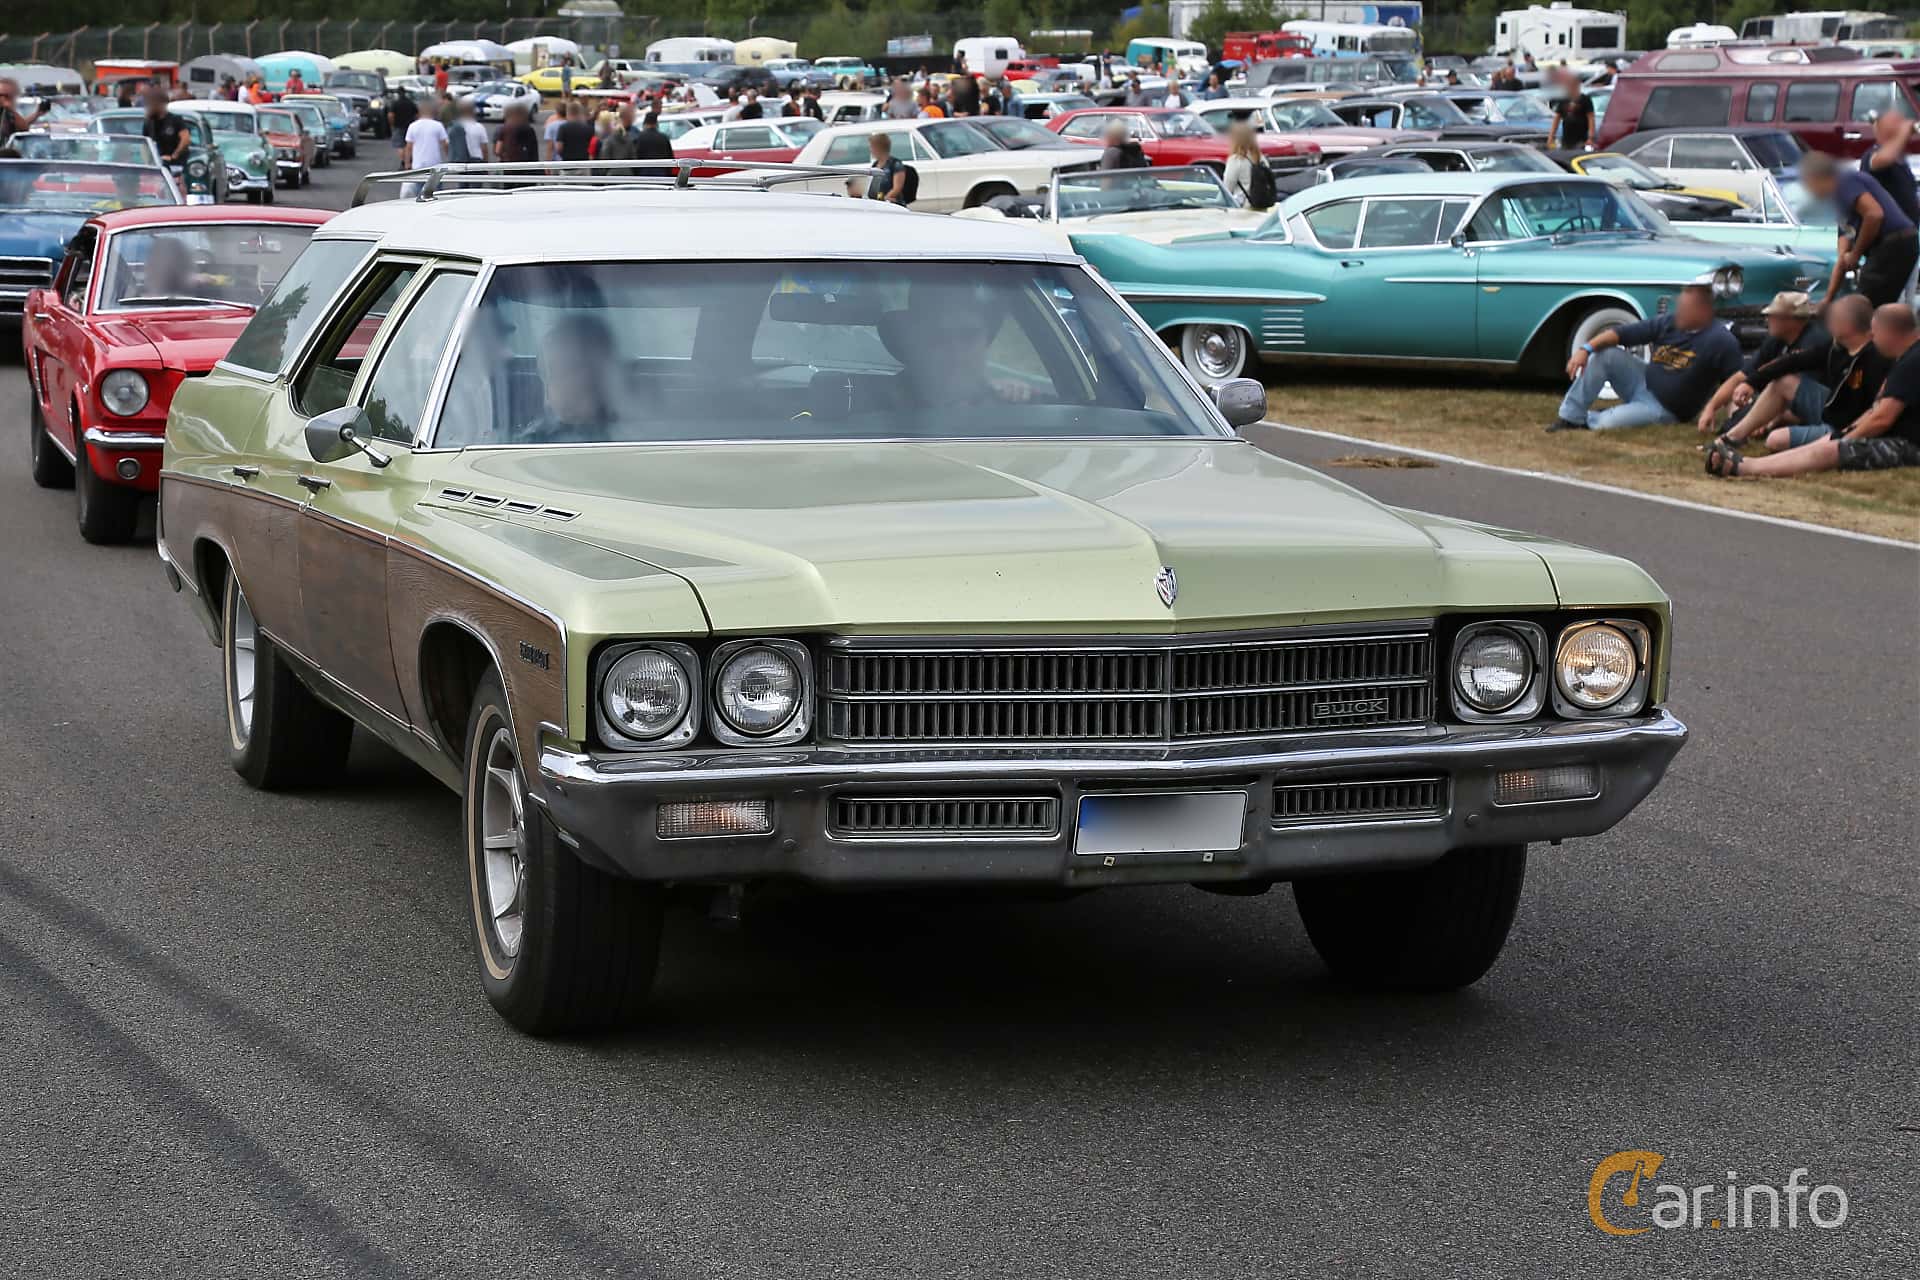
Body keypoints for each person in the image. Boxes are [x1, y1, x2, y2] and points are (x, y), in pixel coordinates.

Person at [1708, 303, 1920, 477]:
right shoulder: (1902, 358)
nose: (1874, 338)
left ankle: (1743, 468)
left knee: (1830, 448)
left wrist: (1844, 439)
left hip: (1909, 445)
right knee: (1827, 441)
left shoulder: (1907, 361)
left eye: (1876, 333)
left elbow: (1882, 418)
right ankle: (1738, 449)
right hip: (1854, 422)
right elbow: (1877, 411)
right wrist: (1843, 434)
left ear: (1890, 332)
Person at [1546, 284, 1742, 432]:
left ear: (1703, 310)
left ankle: (1595, 417)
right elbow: (1620, 333)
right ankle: (1571, 417)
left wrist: (1733, 424)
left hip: (1665, 409)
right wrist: (1585, 349)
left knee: (1607, 424)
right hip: (1642, 381)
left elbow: (1737, 382)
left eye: (1685, 307)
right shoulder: (1669, 323)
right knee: (1605, 354)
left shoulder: (1721, 341)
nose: (1679, 310)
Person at [1710, 295, 1884, 454]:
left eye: (1834, 319)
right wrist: (1751, 382)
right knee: (1783, 381)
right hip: (1830, 408)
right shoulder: (1835, 348)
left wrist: (1845, 436)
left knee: (1775, 441)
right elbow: (1792, 361)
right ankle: (1732, 437)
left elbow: (1876, 410)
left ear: (1848, 324)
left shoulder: (1876, 357)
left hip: (1846, 425)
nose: (1828, 324)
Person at [1695, 291, 1827, 434]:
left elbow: (1804, 401)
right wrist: (1711, 407)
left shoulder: (1814, 342)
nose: (1767, 320)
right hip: (1778, 403)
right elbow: (1741, 376)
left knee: (1781, 386)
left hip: (1815, 411)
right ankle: (1740, 426)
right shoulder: (1776, 339)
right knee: (1738, 393)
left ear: (1791, 319)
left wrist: (1771, 419)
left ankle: (1742, 429)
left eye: (1772, 315)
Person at [1803, 150, 1918, 308]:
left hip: (1895, 242)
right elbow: (1843, 259)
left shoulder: (1844, 181)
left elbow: (1874, 214)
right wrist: (1828, 298)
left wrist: (1856, 254)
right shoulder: (1841, 207)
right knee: (1872, 306)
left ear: (1818, 178)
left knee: (1864, 307)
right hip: (1891, 246)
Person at [526, 314, 616, 442]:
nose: (562, 385)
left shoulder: (635, 436)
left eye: (570, 368)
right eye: (551, 373)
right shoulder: (533, 442)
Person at [1864, 108, 1920, 226]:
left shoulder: (1900, 159)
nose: (1901, 125)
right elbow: (1882, 160)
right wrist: (1905, 130)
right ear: (1880, 128)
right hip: (1887, 235)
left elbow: (1907, 195)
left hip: (1907, 232)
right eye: (1896, 122)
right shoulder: (1874, 153)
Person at [141, 86, 191, 168]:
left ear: (162, 103)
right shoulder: (149, 122)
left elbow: (185, 139)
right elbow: (145, 144)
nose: (150, 106)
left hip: (175, 165)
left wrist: (174, 155)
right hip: (157, 165)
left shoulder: (175, 119)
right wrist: (148, 162)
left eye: (153, 103)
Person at [1546, 68, 1594, 151]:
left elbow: (1591, 119)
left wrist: (1590, 137)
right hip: (1567, 139)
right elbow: (1557, 119)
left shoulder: (1585, 99)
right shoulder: (1563, 100)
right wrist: (1551, 137)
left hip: (1581, 139)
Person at [1221, 119, 1265, 208]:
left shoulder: (1236, 160)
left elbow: (1227, 190)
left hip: (1244, 209)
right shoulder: (1260, 158)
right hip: (1261, 205)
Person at [401, 97, 448, 169]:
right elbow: (445, 144)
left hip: (418, 164)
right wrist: (449, 158)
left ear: (419, 112)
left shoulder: (413, 126)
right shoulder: (438, 125)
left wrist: (407, 163)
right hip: (435, 163)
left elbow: (409, 147)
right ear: (432, 111)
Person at [0, 78, 47, 146]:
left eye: (9, 96)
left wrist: (36, 114)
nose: (5, 99)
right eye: (3, 95)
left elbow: (23, 128)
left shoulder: (7, 112)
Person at [866, 131, 907, 202]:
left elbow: (897, 188)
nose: (870, 150)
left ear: (879, 147)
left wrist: (885, 200)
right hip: (879, 202)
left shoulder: (895, 164)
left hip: (893, 203)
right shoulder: (875, 165)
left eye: (872, 147)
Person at [447, 96, 487, 165]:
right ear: (473, 110)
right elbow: (484, 149)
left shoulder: (453, 127)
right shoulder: (479, 127)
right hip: (477, 163)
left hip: (459, 164)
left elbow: (449, 146)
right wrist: (486, 164)